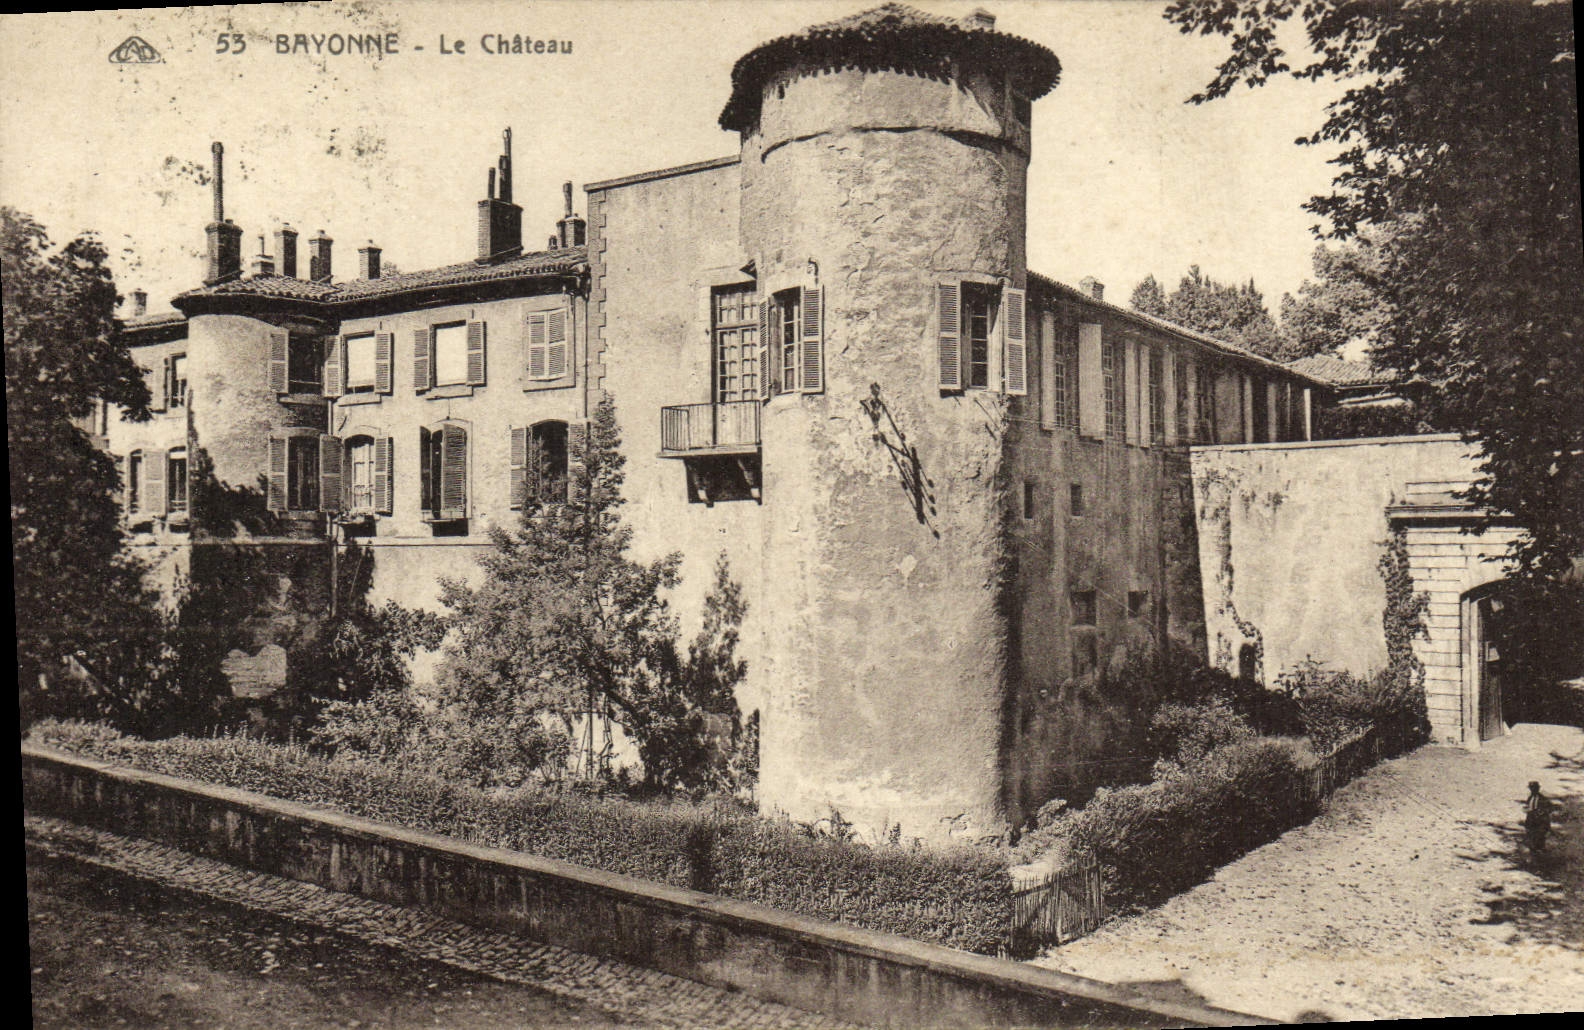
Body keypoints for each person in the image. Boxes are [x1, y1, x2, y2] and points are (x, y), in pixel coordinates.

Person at [1524, 781, 1552, 854]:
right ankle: (1533, 854)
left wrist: (1541, 813)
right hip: (1531, 821)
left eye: (1534, 788)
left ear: (1538, 789)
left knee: (1540, 839)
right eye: (1531, 788)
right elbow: (1528, 807)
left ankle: (1541, 856)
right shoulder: (1530, 797)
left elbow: (1549, 809)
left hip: (1540, 822)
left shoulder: (1543, 799)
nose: (1532, 790)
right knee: (1531, 839)